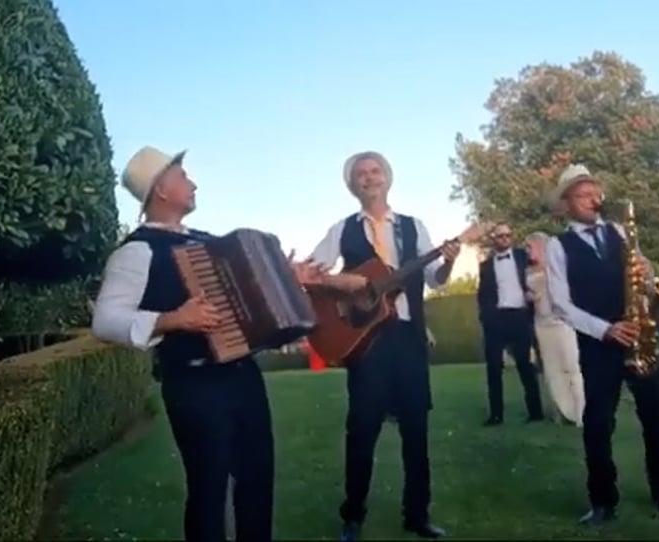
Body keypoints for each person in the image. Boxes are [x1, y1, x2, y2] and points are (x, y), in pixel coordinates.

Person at [90, 146, 365, 541]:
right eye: (183, 176)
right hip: (194, 385)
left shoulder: (208, 242)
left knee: (257, 480)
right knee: (209, 490)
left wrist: (289, 278)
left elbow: (246, 297)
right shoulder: (137, 251)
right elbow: (105, 321)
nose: (193, 183)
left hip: (244, 376)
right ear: (161, 190)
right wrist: (174, 319)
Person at [308, 151, 458, 541]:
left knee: (416, 429)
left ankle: (418, 515)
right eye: (361, 174)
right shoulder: (342, 230)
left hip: (408, 336)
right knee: (362, 429)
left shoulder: (413, 227)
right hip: (366, 340)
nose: (369, 178)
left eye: (375, 171)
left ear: (387, 178)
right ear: (352, 185)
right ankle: (353, 516)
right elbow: (311, 273)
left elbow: (436, 279)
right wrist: (349, 283)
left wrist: (448, 262)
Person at [544, 164, 659, 525]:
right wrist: (605, 329)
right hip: (599, 345)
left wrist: (647, 276)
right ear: (566, 204)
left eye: (595, 192)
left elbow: (643, 278)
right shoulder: (557, 246)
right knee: (599, 424)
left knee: (656, 417)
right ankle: (603, 501)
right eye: (583, 194)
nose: (593, 199)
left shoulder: (621, 232)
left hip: (640, 335)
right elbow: (561, 304)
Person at [476, 223, 544, 426]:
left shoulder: (523, 256)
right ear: (494, 239)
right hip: (496, 319)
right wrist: (486, 317)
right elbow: (482, 295)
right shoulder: (486, 266)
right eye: (500, 236)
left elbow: (540, 268)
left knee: (525, 365)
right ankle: (496, 415)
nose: (505, 238)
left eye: (508, 235)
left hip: (519, 316)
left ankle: (536, 412)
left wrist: (533, 296)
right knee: (494, 368)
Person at [524, 231, 585, 426]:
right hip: (541, 324)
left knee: (570, 366)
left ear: (540, 246)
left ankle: (581, 412)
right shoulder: (527, 271)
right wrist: (529, 296)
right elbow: (526, 294)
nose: (527, 251)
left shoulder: (557, 265)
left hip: (561, 321)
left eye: (530, 246)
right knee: (552, 370)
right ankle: (563, 410)